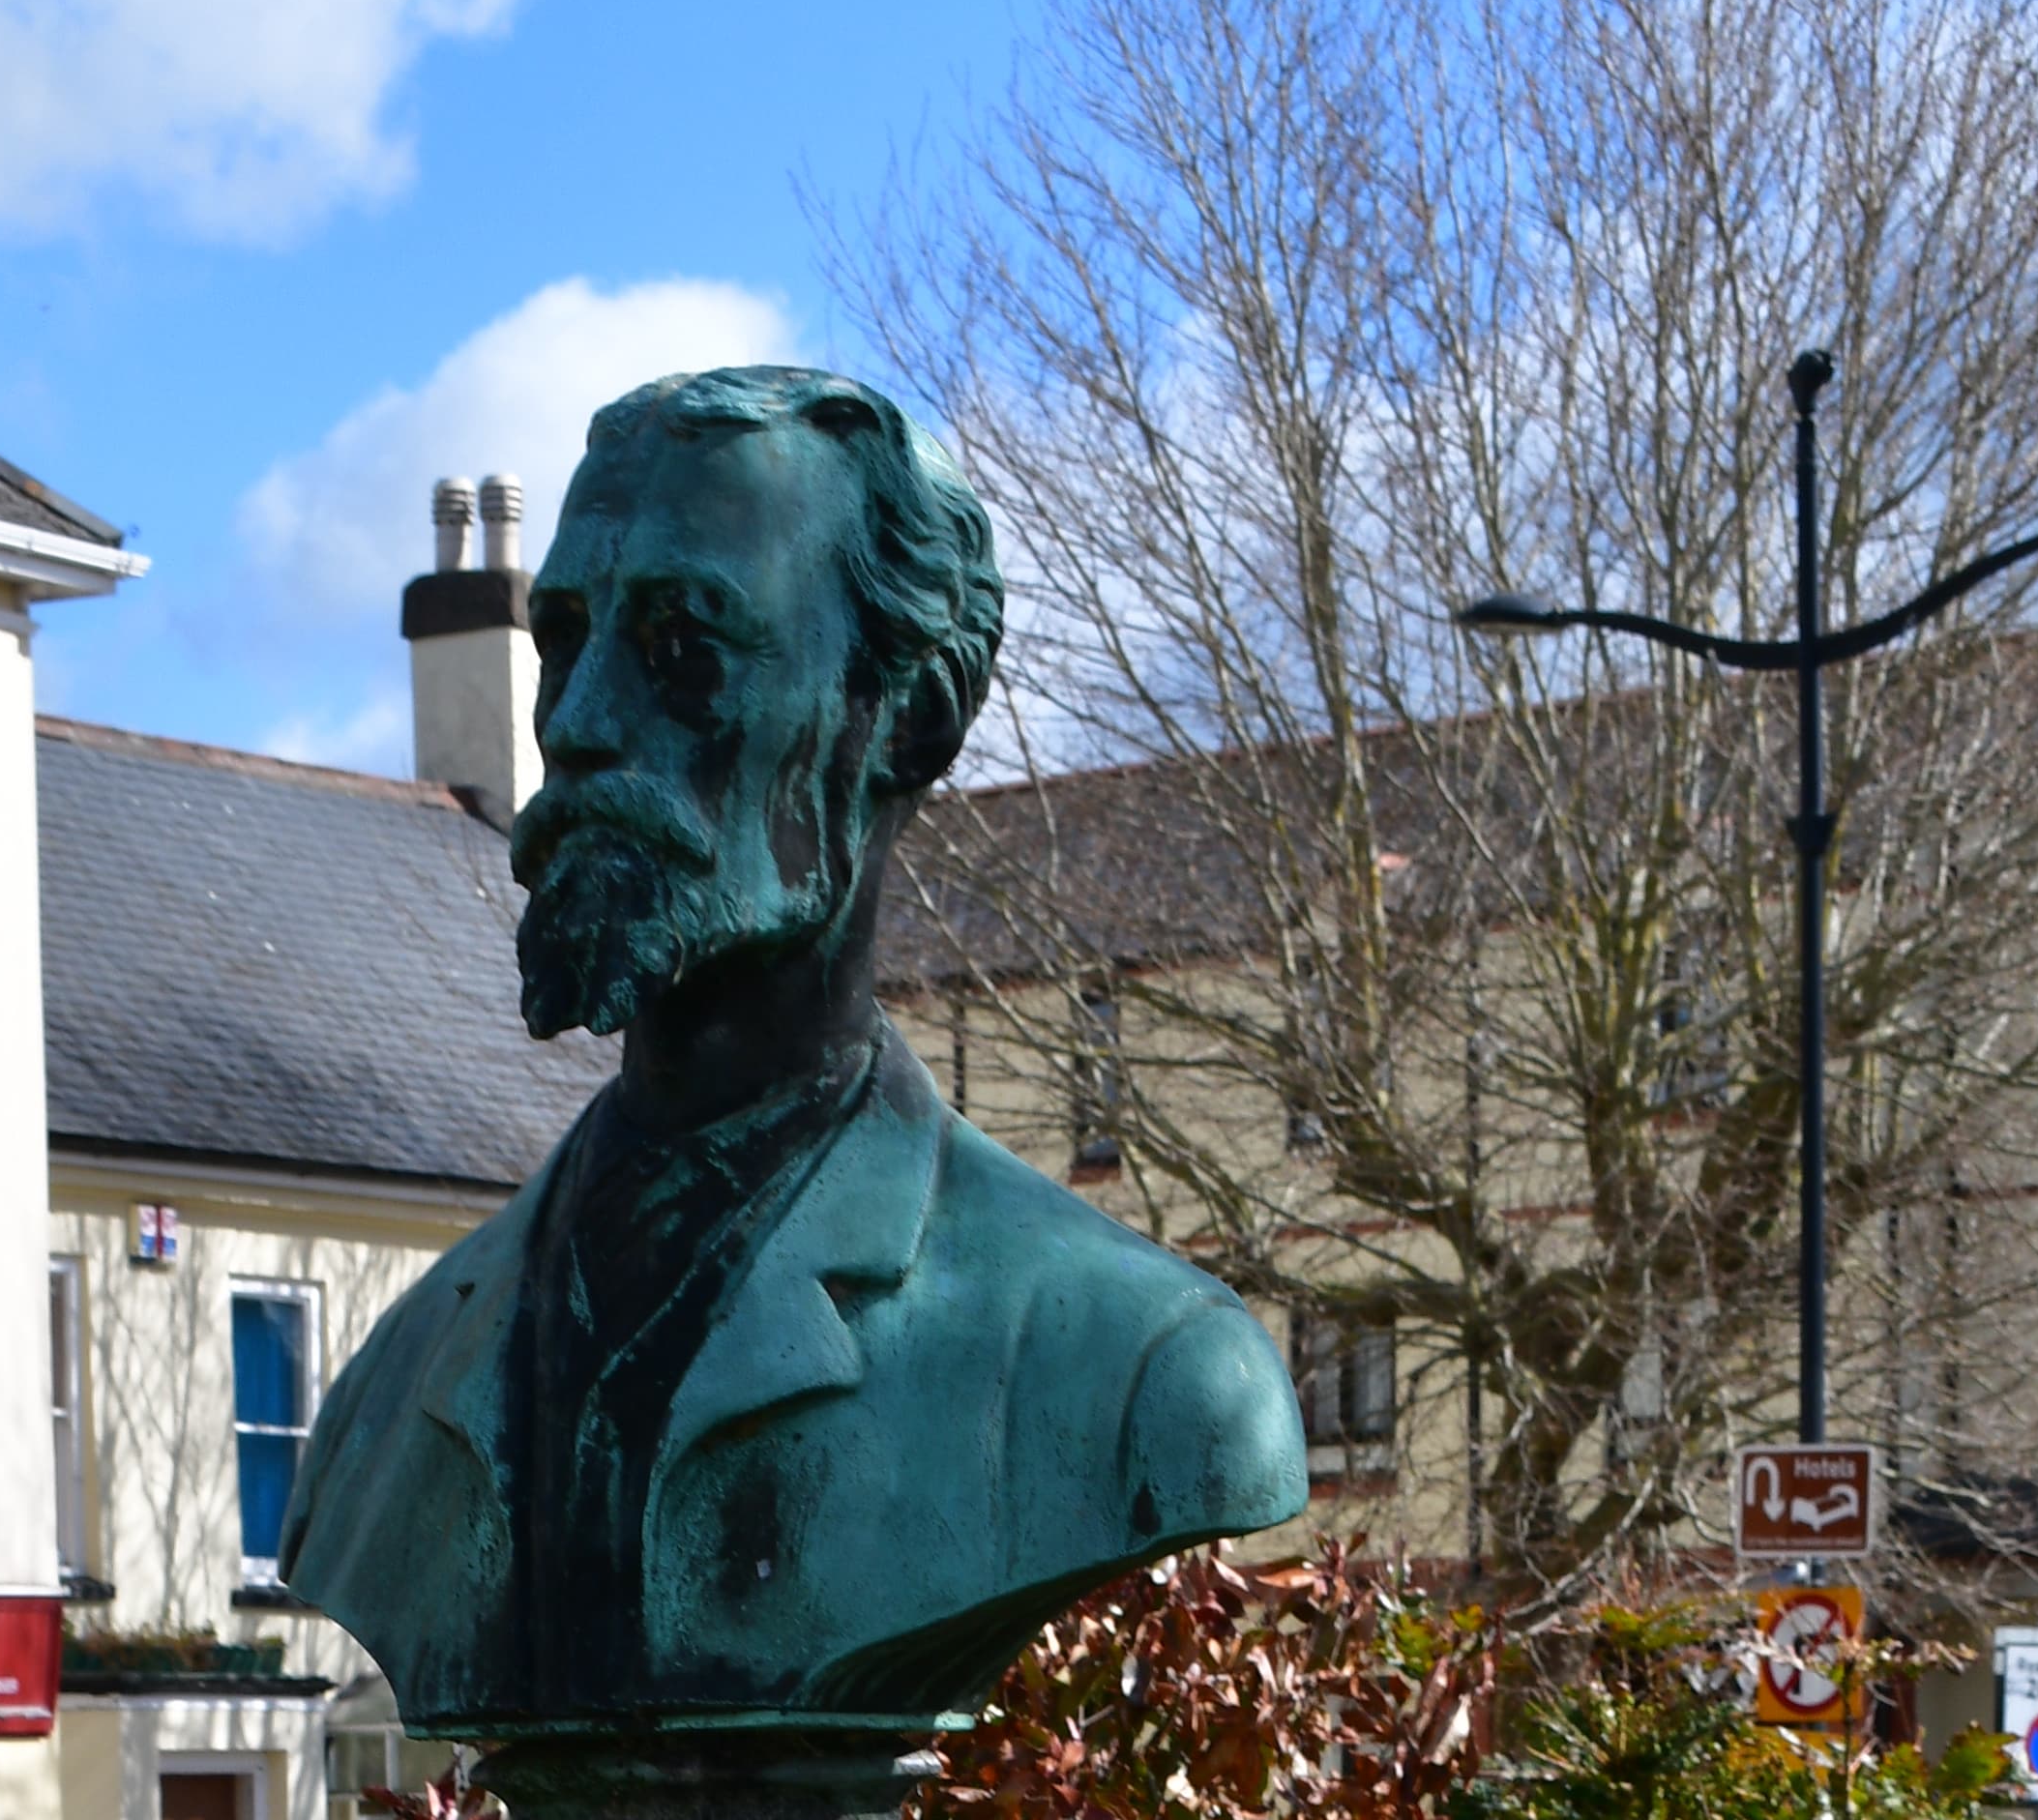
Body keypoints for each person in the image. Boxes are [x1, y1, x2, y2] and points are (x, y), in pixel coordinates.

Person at [280, 364, 1306, 1726]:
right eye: (565, 641)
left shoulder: (1141, 1372)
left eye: (682, 647)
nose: (580, 725)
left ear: (912, 713)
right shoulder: (382, 1408)